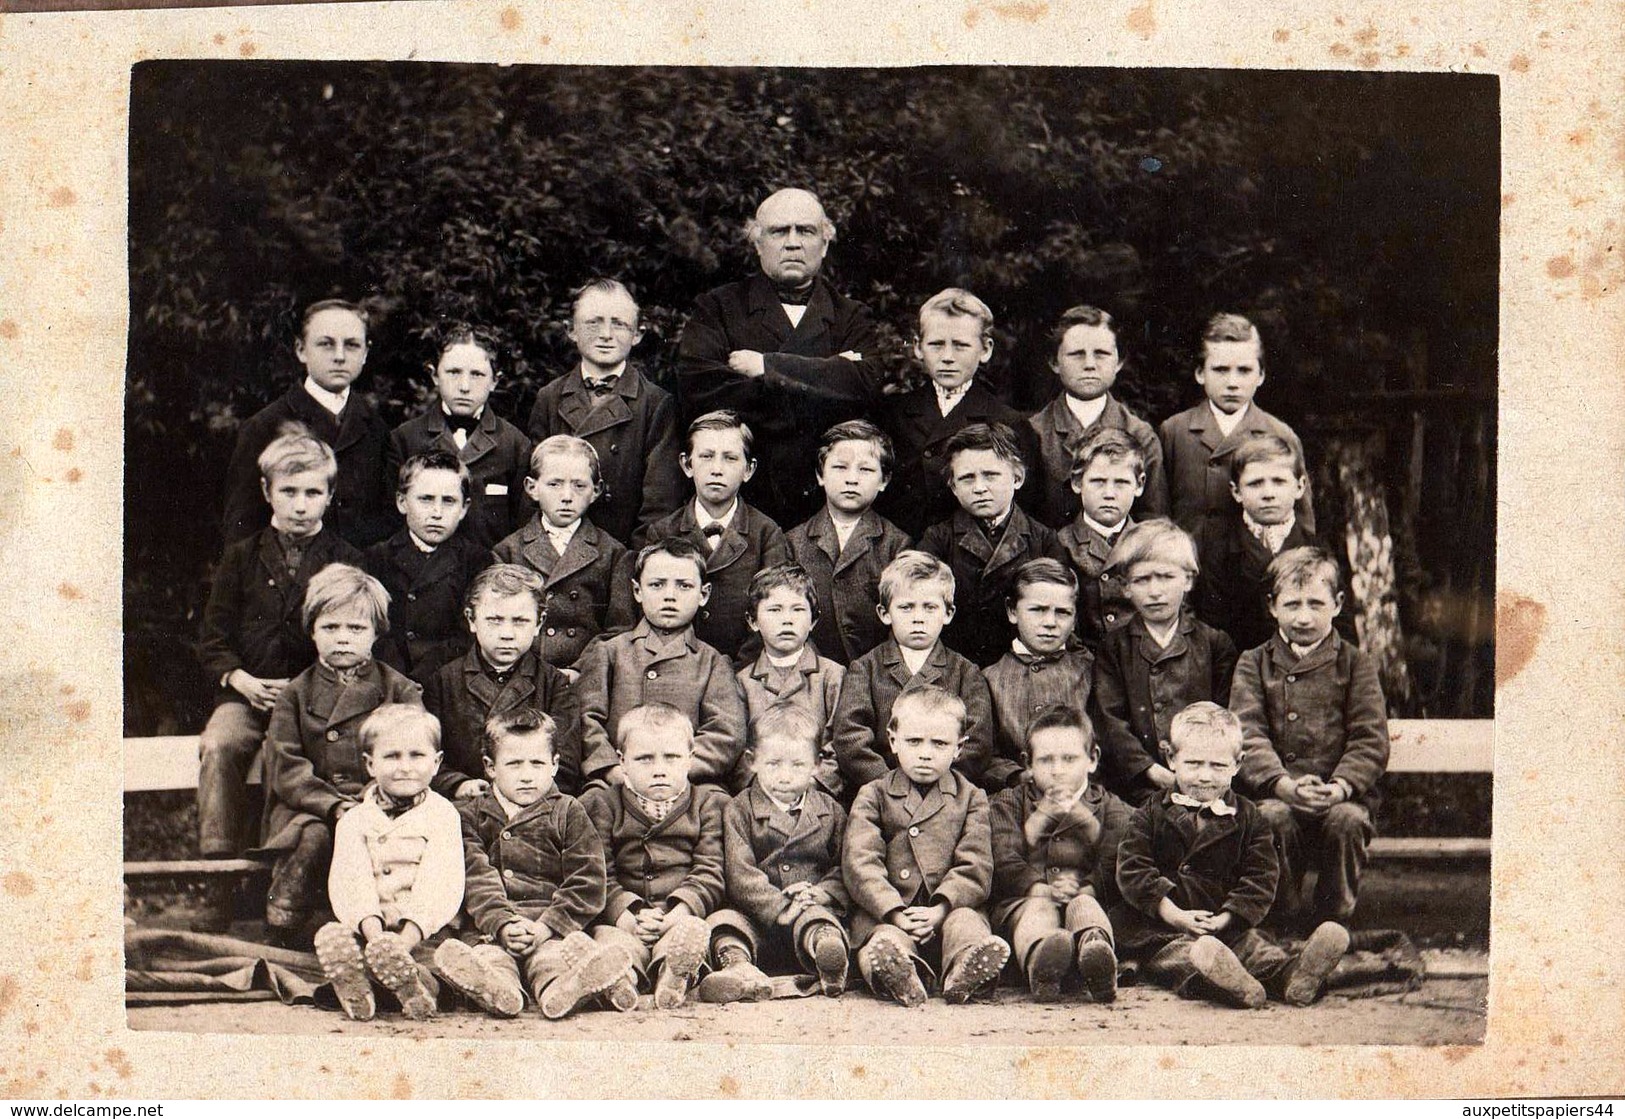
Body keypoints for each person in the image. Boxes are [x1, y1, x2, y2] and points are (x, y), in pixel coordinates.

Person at [1113, 702, 1350, 1008]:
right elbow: (1133, 868)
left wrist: (1227, 917)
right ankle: (1228, 986)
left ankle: (1294, 976)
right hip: (1165, 927)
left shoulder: (1249, 817)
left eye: (1218, 766)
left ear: (1238, 764)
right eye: (1194, 763)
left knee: (1257, 950)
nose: (1205, 777)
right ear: (1171, 758)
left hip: (1227, 925)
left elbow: (1260, 877)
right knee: (1181, 959)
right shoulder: (1149, 812)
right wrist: (1173, 914)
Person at [196, 431, 362, 859]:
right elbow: (213, 637)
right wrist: (241, 680)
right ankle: (219, 869)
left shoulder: (345, 559)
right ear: (267, 492)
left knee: (286, 756)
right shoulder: (241, 556)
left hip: (314, 698)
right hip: (247, 693)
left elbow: (356, 637)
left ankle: (281, 869)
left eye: (313, 492)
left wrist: (306, 685)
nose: (301, 504)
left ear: (330, 495)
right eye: (289, 491)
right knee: (221, 745)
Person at [677, 188, 885, 527]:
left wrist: (767, 367)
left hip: (828, 506)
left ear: (825, 244)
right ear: (758, 243)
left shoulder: (851, 317)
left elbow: (866, 388)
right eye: (779, 231)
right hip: (744, 502)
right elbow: (702, 392)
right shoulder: (717, 308)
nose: (792, 242)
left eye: (805, 231)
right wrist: (826, 380)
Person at [255, 564, 423, 947]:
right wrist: (331, 805)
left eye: (356, 629)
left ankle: (382, 927)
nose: (343, 639)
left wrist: (376, 796)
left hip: (382, 800)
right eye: (330, 628)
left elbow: (414, 753)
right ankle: (285, 919)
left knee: (382, 835)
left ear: (377, 633)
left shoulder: (399, 689)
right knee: (313, 837)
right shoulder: (294, 694)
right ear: (312, 631)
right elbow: (286, 765)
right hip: (310, 807)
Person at [430, 707, 634, 1020]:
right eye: (514, 764)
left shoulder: (568, 812)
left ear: (554, 765)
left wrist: (544, 927)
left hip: (550, 927)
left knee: (551, 963)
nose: (527, 775)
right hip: (491, 929)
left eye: (537, 763)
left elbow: (587, 880)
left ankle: (561, 992)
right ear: (490, 767)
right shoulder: (470, 815)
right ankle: (498, 992)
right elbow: (475, 877)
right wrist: (503, 924)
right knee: (490, 961)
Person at [1231, 547, 1389, 929]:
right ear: (1272, 607)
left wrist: (1340, 787)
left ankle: (1332, 923)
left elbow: (1370, 738)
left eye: (1316, 604)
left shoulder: (1355, 664)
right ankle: (1280, 920)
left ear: (1336, 605)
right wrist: (1280, 784)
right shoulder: (1254, 663)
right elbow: (1246, 733)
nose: (1304, 617)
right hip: (1278, 793)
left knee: (1347, 822)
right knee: (1270, 819)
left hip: (1337, 796)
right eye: (1292, 604)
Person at [842, 687, 1010, 1006]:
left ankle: (964, 971)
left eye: (940, 743)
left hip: (946, 911)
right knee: (881, 943)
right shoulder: (873, 794)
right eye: (914, 741)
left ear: (959, 748)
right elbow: (861, 862)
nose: (925, 753)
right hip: (890, 913)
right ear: (893, 741)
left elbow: (975, 863)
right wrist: (894, 912)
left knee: (968, 927)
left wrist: (940, 910)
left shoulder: (971, 797)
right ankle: (900, 975)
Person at [580, 704, 753, 1010]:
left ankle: (674, 974)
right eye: (644, 758)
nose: (659, 768)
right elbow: (598, 872)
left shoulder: (709, 804)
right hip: (626, 921)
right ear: (622, 762)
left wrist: (678, 913)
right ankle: (620, 982)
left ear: (690, 758)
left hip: (683, 918)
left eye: (671, 757)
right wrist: (627, 917)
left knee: (708, 928)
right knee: (606, 939)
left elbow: (710, 870)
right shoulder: (602, 805)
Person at [313, 704, 463, 1022]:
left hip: (425, 930)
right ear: (370, 764)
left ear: (436, 763)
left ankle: (415, 986)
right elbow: (351, 881)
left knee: (438, 965)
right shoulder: (354, 820)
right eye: (392, 756)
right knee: (351, 952)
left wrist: (405, 940)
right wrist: (377, 938)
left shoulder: (443, 815)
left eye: (416, 756)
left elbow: (440, 881)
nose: (404, 767)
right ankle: (360, 990)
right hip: (372, 932)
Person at [573, 538, 749, 789]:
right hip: (617, 785)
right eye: (657, 585)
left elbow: (726, 733)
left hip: (687, 787)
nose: (669, 596)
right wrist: (612, 769)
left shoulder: (711, 661)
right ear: (637, 591)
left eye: (684, 586)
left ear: (704, 594)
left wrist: (676, 771)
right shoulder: (610, 652)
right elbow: (586, 720)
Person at [221, 299, 393, 547]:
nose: (339, 356)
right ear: (301, 350)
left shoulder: (377, 428)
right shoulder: (264, 427)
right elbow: (242, 531)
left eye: (352, 345)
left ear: (366, 353)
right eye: (326, 344)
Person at [1090, 520, 1238, 804]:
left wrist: (1196, 772)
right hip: (1136, 787)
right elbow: (1110, 722)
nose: (1155, 591)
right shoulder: (1114, 647)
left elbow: (1228, 716)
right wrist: (1150, 770)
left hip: (1206, 784)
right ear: (1125, 587)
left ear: (1188, 580)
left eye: (1166, 577)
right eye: (1142, 580)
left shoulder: (1213, 643)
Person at [526, 280, 684, 546]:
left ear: (638, 333)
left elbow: (659, 503)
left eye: (619, 323)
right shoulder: (550, 398)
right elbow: (533, 492)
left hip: (622, 550)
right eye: (593, 322)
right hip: (558, 548)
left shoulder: (656, 404)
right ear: (571, 330)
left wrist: (636, 563)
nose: (606, 334)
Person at [989, 706, 1131, 1002]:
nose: (1057, 770)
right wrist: (1040, 888)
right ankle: (1042, 964)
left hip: (1089, 897)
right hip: (1029, 900)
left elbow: (1114, 858)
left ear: (1092, 760)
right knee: (1037, 912)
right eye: (1045, 760)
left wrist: (1088, 887)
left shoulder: (1113, 807)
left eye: (1069, 759)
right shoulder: (1008, 803)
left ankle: (1096, 956)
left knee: (1085, 907)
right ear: (1027, 764)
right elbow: (1005, 856)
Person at [713, 705, 852, 1002]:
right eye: (774, 764)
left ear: (816, 765)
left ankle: (827, 955)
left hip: (808, 906)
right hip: (756, 915)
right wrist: (778, 906)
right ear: (752, 761)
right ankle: (738, 968)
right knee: (725, 923)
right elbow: (740, 872)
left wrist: (822, 894)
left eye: (797, 765)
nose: (785, 776)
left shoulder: (830, 811)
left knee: (820, 921)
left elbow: (845, 865)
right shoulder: (739, 809)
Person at [829, 551, 995, 794]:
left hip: (946, 796)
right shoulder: (865, 668)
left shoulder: (965, 672)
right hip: (881, 793)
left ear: (948, 614)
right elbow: (851, 738)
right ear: (885, 613)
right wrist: (890, 786)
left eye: (929, 607)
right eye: (906, 607)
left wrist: (940, 786)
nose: (918, 618)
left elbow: (976, 743)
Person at [635, 410, 789, 663]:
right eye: (706, 457)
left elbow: (771, 613)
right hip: (677, 665)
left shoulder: (766, 533)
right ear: (687, 464)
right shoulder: (663, 532)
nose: (717, 469)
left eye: (730, 458)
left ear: (748, 470)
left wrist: (741, 670)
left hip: (744, 669)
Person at [878, 289, 1034, 538]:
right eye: (936, 344)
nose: (948, 357)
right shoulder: (891, 414)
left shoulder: (1009, 422)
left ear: (985, 349)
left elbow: (1027, 514)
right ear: (918, 348)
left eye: (961, 345)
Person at [422, 564, 584, 799]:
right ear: (471, 619)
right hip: (465, 806)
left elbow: (566, 764)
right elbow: (427, 755)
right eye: (495, 620)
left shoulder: (553, 684)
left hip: (534, 807)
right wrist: (456, 784)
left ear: (539, 623)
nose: (507, 633)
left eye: (519, 621)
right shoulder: (443, 682)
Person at [915, 421, 1064, 668]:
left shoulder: (1043, 540)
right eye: (967, 478)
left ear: (1017, 478)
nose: (980, 488)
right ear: (953, 487)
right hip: (956, 665)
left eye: (991, 475)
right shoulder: (938, 540)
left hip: (1023, 666)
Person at [1159, 313, 1315, 535]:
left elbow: (1303, 524)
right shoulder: (1175, 431)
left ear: (1260, 375)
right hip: (1190, 564)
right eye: (1221, 370)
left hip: (1256, 566)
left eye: (1244, 370)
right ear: (1200, 373)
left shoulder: (1279, 434)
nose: (1232, 383)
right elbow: (1156, 517)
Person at [491, 435, 636, 669]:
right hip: (526, 673)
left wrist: (581, 670)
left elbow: (619, 631)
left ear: (596, 490)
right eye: (554, 484)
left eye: (579, 485)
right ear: (532, 488)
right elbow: (501, 625)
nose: (567, 496)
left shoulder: (614, 553)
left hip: (588, 674)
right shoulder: (508, 551)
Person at [386, 324, 533, 551]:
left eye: (477, 375)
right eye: (454, 372)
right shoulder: (405, 439)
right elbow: (392, 523)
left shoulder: (514, 444)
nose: (464, 386)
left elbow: (522, 525)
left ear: (495, 380)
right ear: (435, 375)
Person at [1026, 305, 1167, 528]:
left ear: (1119, 362)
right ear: (1055, 362)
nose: (1090, 365)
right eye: (1076, 354)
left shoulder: (1140, 434)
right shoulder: (1033, 432)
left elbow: (1152, 521)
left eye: (1101, 354)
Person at [786, 420, 911, 666]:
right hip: (810, 671)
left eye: (865, 470)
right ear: (820, 475)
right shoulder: (793, 541)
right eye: (840, 467)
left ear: (884, 480)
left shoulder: (897, 544)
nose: (852, 479)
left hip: (875, 671)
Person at [363, 452, 488, 687]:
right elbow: (373, 627)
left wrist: (425, 676)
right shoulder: (377, 558)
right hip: (387, 679)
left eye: (448, 501)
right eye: (426, 499)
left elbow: (469, 632)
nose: (437, 513)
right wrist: (399, 679)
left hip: (449, 681)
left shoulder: (476, 561)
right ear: (402, 502)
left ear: (464, 508)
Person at [1194, 434, 1322, 654]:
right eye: (1255, 484)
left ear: (1300, 486)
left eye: (1279, 481)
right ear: (1236, 491)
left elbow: (1339, 625)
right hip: (1241, 669)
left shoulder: (1318, 549)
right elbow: (1212, 625)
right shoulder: (1218, 548)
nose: (1268, 494)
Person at [982, 560, 1095, 789]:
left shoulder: (1090, 671)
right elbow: (984, 754)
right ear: (1012, 611)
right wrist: (1016, 776)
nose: (1050, 623)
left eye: (1062, 613)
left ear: (1074, 620)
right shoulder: (989, 678)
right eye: (1038, 610)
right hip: (1017, 798)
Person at [735, 564, 845, 797]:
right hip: (760, 795)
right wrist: (763, 785)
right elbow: (738, 748)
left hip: (817, 795)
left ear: (813, 621)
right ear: (752, 621)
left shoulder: (832, 676)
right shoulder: (743, 682)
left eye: (797, 610)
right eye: (775, 610)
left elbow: (839, 742)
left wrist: (813, 781)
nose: (787, 620)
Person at [1056, 429, 1143, 651]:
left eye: (1121, 482)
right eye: (1098, 481)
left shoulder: (1151, 543)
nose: (1109, 493)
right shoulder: (1061, 543)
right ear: (1077, 482)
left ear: (1139, 484)